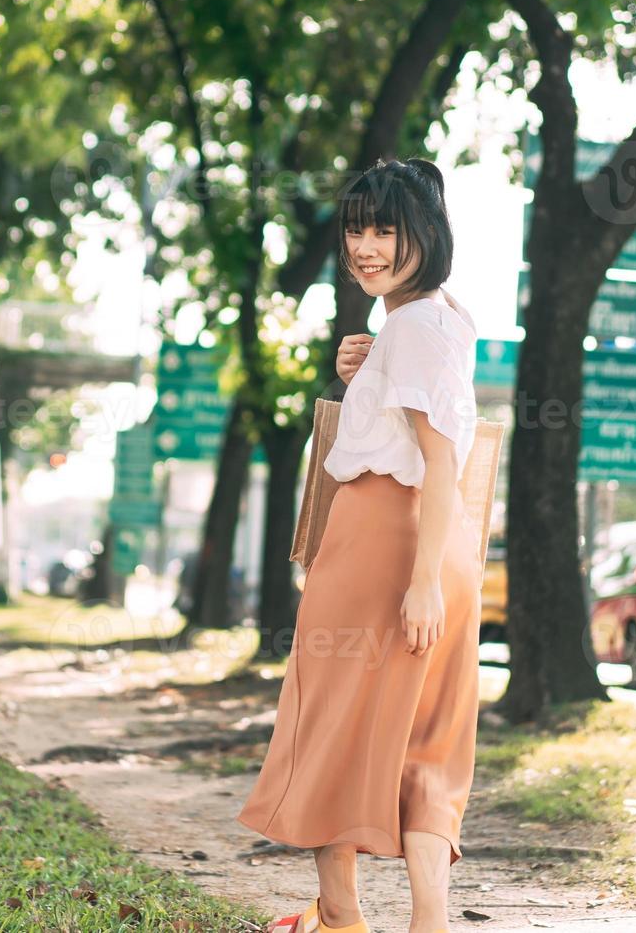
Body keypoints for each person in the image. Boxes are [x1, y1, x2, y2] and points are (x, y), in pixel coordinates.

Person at [236, 157, 481, 933]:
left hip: (383, 542)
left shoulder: (408, 328)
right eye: (356, 229)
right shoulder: (442, 318)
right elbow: (433, 437)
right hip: (444, 546)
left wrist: (415, 583)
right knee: (430, 745)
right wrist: (365, 369)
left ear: (426, 235)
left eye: (385, 230)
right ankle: (427, 923)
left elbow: (435, 456)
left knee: (333, 725)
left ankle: (341, 916)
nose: (365, 246)